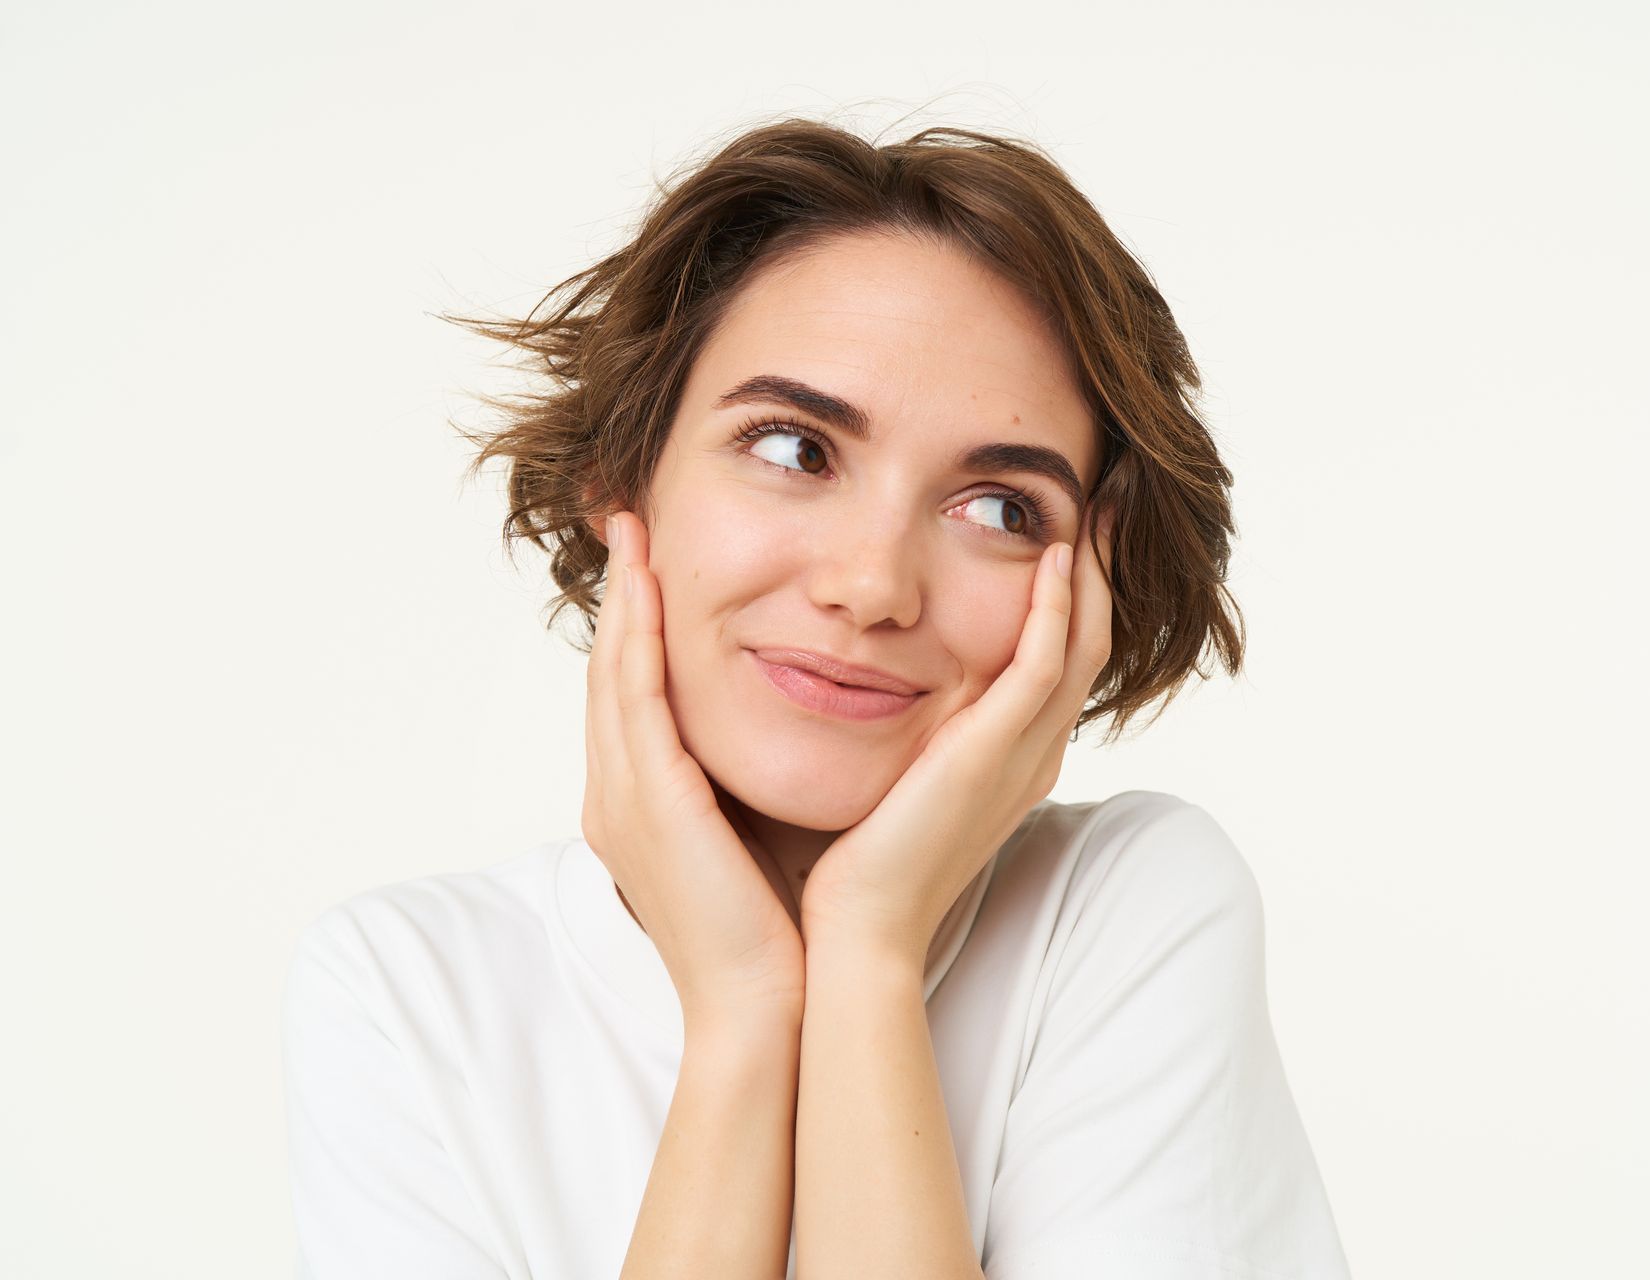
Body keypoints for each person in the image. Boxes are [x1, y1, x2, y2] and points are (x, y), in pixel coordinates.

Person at [281, 114, 1351, 1279]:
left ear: (1088, 588)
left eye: (1000, 508)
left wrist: (870, 950)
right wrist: (741, 1009)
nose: (872, 584)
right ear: (619, 474)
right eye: (794, 448)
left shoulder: (1123, 912)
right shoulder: (408, 991)